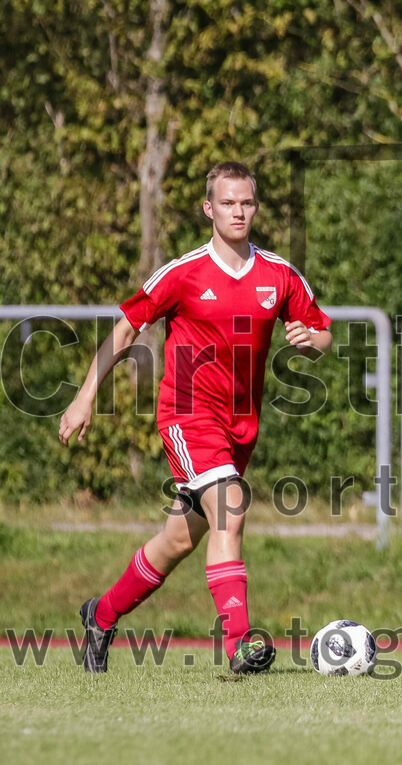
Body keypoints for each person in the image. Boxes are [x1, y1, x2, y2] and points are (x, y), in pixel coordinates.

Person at [59, 161, 333, 674]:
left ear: (256, 207)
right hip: (188, 414)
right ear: (209, 208)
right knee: (231, 506)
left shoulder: (279, 274)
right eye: (227, 203)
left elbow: (322, 333)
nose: (238, 211)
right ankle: (240, 646)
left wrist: (310, 341)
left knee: (179, 540)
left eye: (246, 202)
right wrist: (84, 396)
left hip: (241, 426)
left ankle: (101, 614)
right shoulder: (184, 273)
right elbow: (123, 331)